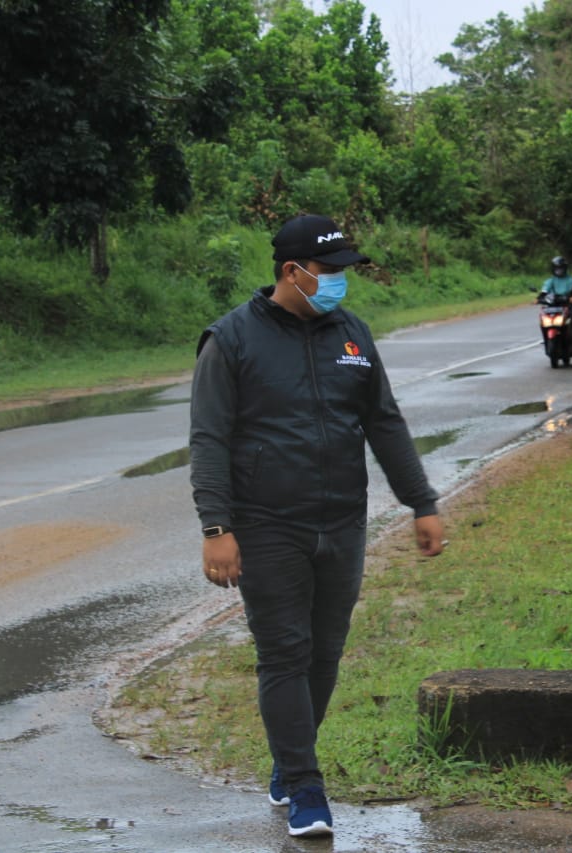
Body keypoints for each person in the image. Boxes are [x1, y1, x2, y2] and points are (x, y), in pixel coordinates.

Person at [189, 213, 446, 839]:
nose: (339, 284)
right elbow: (209, 437)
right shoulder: (232, 340)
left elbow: (384, 422)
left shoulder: (352, 335)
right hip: (267, 523)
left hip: (342, 521)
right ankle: (306, 788)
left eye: (343, 273)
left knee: (325, 653)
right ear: (292, 272)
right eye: (330, 273)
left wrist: (422, 501)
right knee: (285, 652)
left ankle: (289, 758)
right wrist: (216, 525)